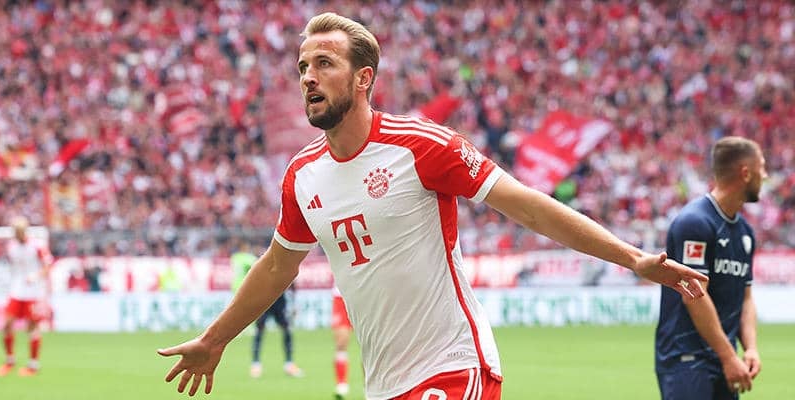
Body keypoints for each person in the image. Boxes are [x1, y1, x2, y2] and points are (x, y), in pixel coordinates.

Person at [158, 12, 708, 399]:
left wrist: (632, 258)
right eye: (303, 66)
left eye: (324, 63)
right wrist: (214, 339)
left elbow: (528, 206)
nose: (308, 77)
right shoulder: (302, 176)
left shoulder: (422, 146)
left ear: (364, 78)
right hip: (384, 384)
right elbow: (278, 264)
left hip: (454, 367)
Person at [655, 136, 765, 400]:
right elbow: (694, 295)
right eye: (762, 167)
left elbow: (745, 297)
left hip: (724, 359)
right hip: (687, 360)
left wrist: (750, 348)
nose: (765, 175)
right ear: (746, 173)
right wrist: (729, 356)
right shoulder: (695, 222)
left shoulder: (745, 232)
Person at [230, 244, 303, 379]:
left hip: (280, 302)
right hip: (264, 302)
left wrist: (294, 304)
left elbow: (292, 282)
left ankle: (289, 364)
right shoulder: (263, 265)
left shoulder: (286, 264)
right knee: (260, 331)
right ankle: (256, 364)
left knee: (286, 330)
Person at [0, 216, 52, 377]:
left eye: (19, 231)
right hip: (16, 290)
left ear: (24, 231)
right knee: (7, 325)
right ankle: (10, 361)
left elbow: (47, 266)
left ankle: (33, 365)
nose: (17, 234)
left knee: (31, 328)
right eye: (15, 231)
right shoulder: (12, 247)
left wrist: (36, 276)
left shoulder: (37, 246)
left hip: (33, 292)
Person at [331, 287, 353, 399]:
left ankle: (369, 387)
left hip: (364, 295)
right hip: (341, 296)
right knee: (341, 341)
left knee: (370, 345)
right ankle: (341, 383)